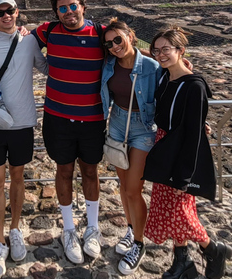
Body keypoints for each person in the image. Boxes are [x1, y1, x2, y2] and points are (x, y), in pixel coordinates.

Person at [142, 27, 232, 279]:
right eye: (156, 50)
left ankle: (213, 249)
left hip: (181, 151)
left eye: (166, 50)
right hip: (164, 143)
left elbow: (193, 135)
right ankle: (182, 261)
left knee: (180, 211)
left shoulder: (194, 86)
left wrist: (185, 175)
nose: (160, 55)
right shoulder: (165, 76)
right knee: (167, 207)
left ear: (181, 51)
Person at [0, 0, 48, 278]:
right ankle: (0, 239)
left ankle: (15, 229)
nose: (6, 16)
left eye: (10, 11)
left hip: (23, 123)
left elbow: (46, 68)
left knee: (18, 177)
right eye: (0, 12)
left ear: (18, 12)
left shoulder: (28, 41)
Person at [31, 0, 106, 264]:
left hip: (92, 118)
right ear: (56, 13)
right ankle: (70, 230)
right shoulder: (48, 31)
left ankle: (93, 228)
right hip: (58, 117)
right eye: (62, 8)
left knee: (90, 171)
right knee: (63, 170)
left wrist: (174, 67)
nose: (69, 12)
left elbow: (129, 55)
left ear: (83, 6)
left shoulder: (99, 34)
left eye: (73, 6)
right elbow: (19, 43)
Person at [99, 18, 160, 275]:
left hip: (143, 128)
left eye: (118, 39)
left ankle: (138, 242)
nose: (114, 46)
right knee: (124, 186)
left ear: (130, 36)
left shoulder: (153, 66)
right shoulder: (108, 64)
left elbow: (175, 82)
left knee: (135, 189)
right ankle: (130, 227)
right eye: (109, 43)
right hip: (117, 122)